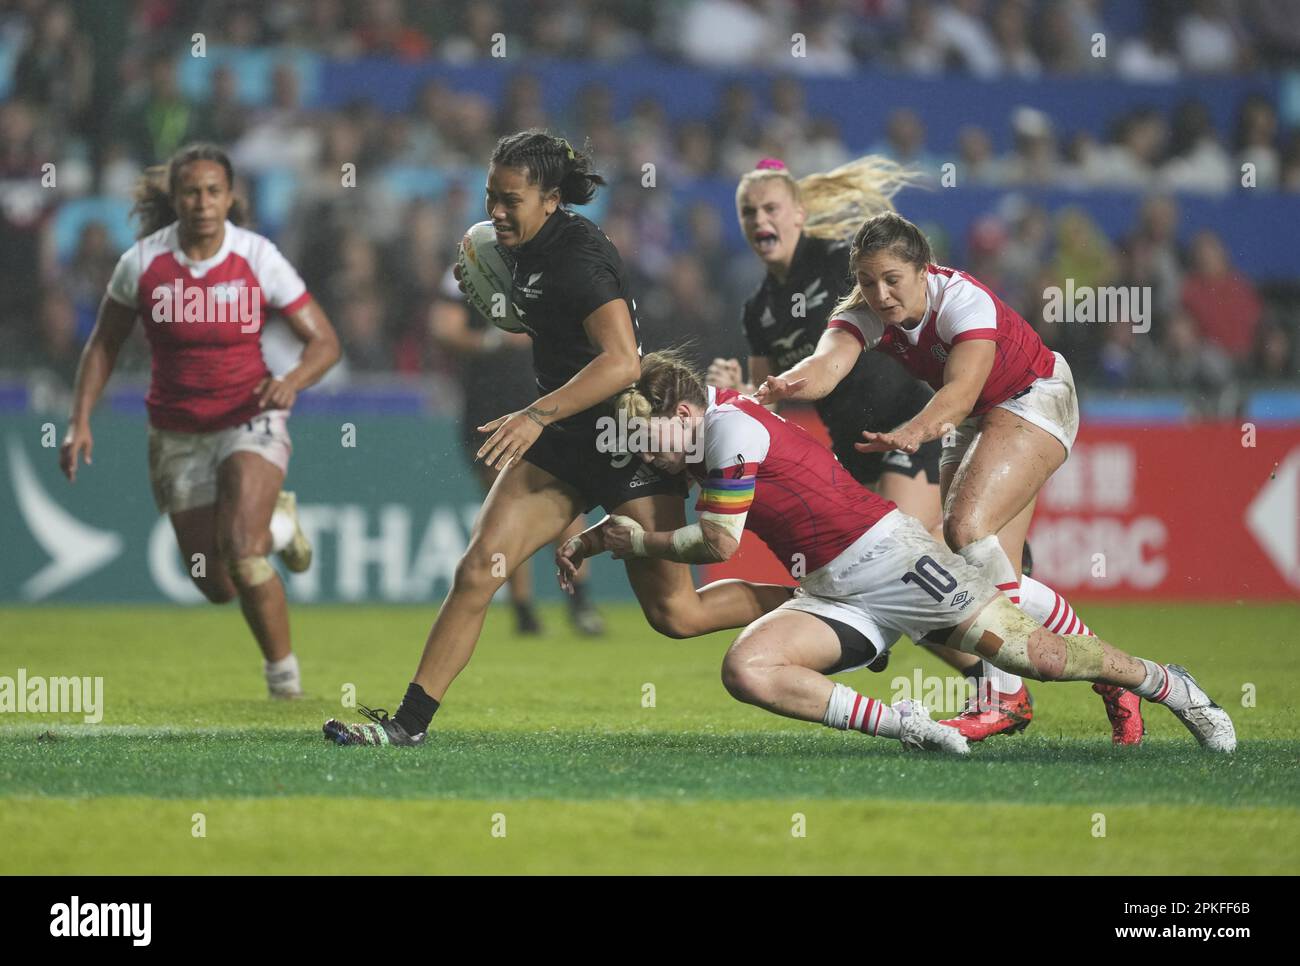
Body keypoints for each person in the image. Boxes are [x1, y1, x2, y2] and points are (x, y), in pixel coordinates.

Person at [324, 131, 791, 746]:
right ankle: (408, 726)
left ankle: (810, 601)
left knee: (677, 615)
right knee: (476, 571)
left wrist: (535, 414)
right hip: (568, 441)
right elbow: (543, 320)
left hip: (628, 438)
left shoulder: (581, 257)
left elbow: (622, 362)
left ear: (549, 199)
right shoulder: (509, 245)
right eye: (491, 195)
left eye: (509, 199)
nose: (495, 210)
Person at [573, 352, 1234, 754]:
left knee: (1038, 656)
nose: (646, 454)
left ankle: (1167, 684)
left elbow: (719, 541)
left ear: (685, 413)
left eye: (649, 437)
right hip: (836, 592)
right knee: (748, 669)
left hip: (890, 559)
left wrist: (642, 540)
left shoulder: (727, 431)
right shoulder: (709, 421)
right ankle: (909, 725)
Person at [713, 161, 1140, 743]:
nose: (880, 293)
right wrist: (775, 386)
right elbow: (819, 369)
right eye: (748, 212)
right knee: (973, 573)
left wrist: (915, 430)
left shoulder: (921, 285)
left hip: (972, 411)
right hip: (871, 442)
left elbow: (961, 392)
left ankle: (996, 689)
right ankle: (1111, 677)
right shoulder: (776, 306)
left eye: (770, 208)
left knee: (937, 559)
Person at [59, 143, 341, 697]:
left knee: (242, 552)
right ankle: (280, 525)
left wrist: (290, 382)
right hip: (176, 433)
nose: (203, 202)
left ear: (231, 197)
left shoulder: (258, 257)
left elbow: (325, 342)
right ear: (175, 198)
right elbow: (103, 345)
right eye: (191, 191)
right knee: (214, 583)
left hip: (249, 417)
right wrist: (79, 420)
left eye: (214, 191)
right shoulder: (141, 263)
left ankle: (283, 679)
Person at [429, 264, 606, 636]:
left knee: (565, 495)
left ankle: (580, 601)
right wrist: (496, 341)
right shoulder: (468, 267)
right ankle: (524, 609)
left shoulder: (552, 262)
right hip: (490, 403)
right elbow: (444, 329)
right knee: (503, 509)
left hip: (547, 398)